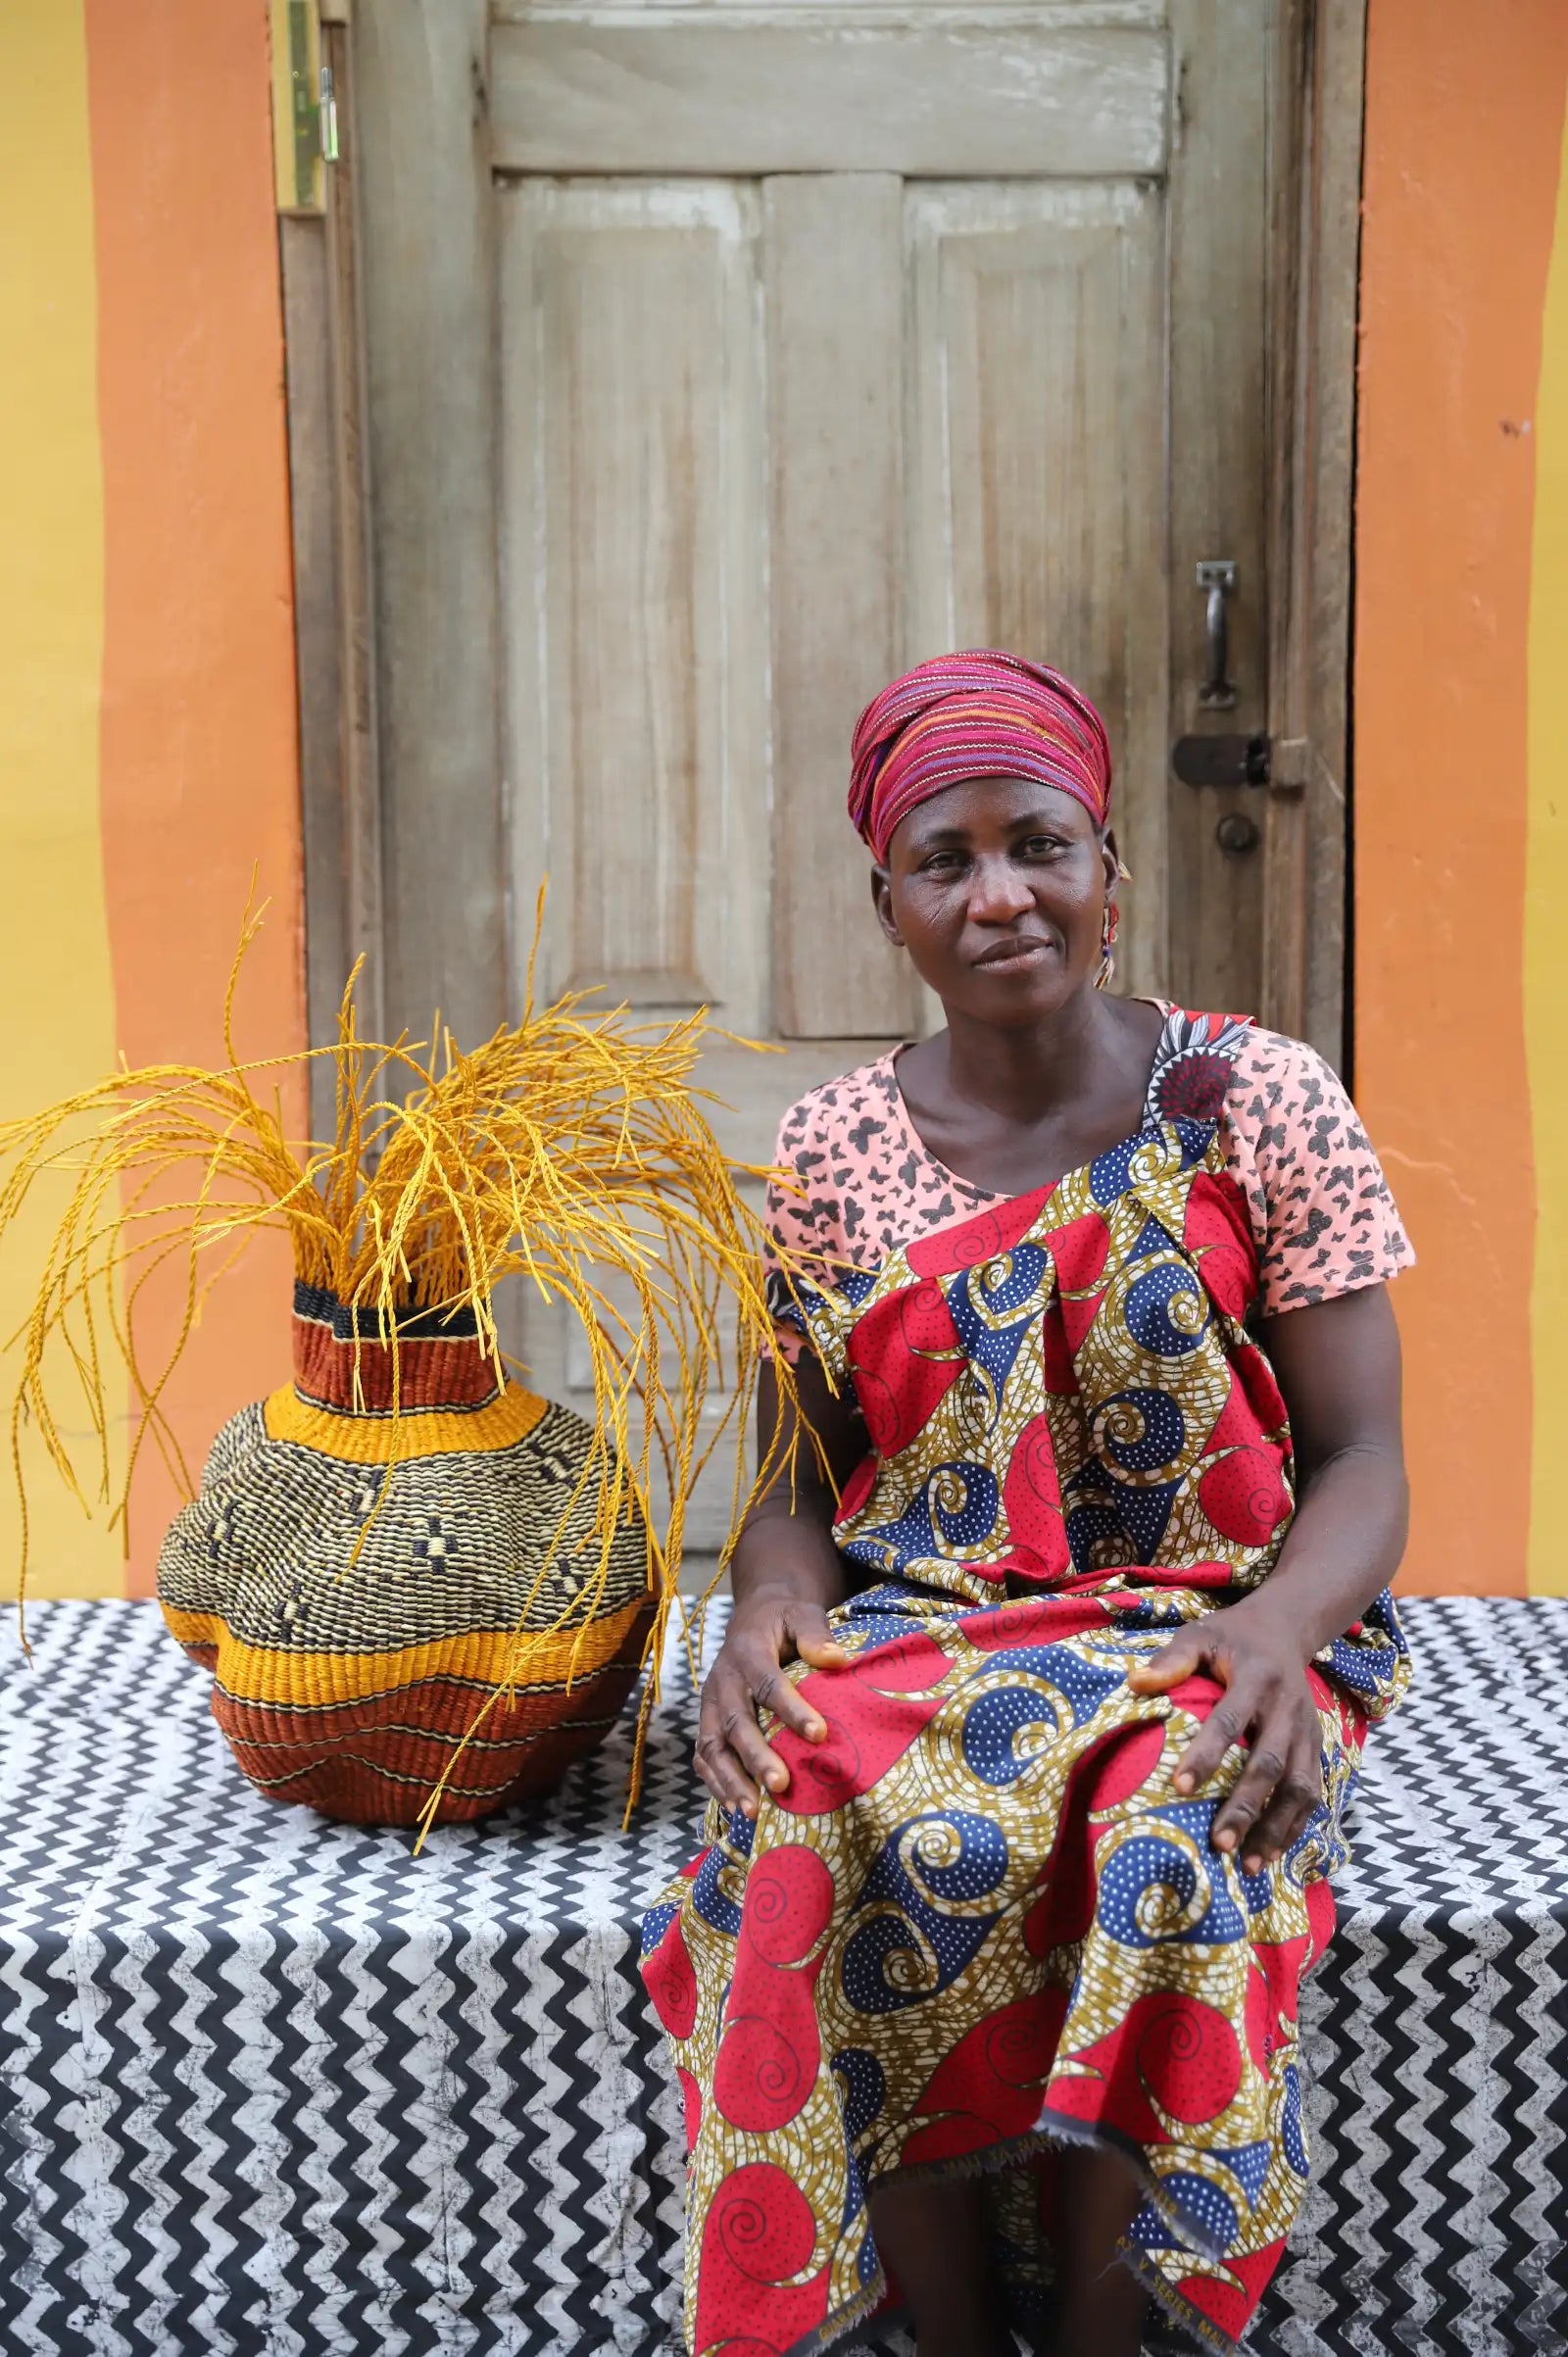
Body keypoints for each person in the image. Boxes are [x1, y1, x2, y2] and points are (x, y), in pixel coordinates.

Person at [639, 651, 1412, 2357]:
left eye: (1038, 844)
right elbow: (798, 1476)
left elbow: (1364, 1458)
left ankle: (1095, 2342)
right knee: (813, 1799)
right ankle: (954, 2330)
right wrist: (769, 1604)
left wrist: (1281, 1631)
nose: (999, 895)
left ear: (1108, 871)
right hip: (931, 1622)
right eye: (947, 861)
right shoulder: (831, 1153)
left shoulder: (1256, 1099)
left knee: (1177, 1822)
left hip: (1210, 1619)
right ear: (890, 907)